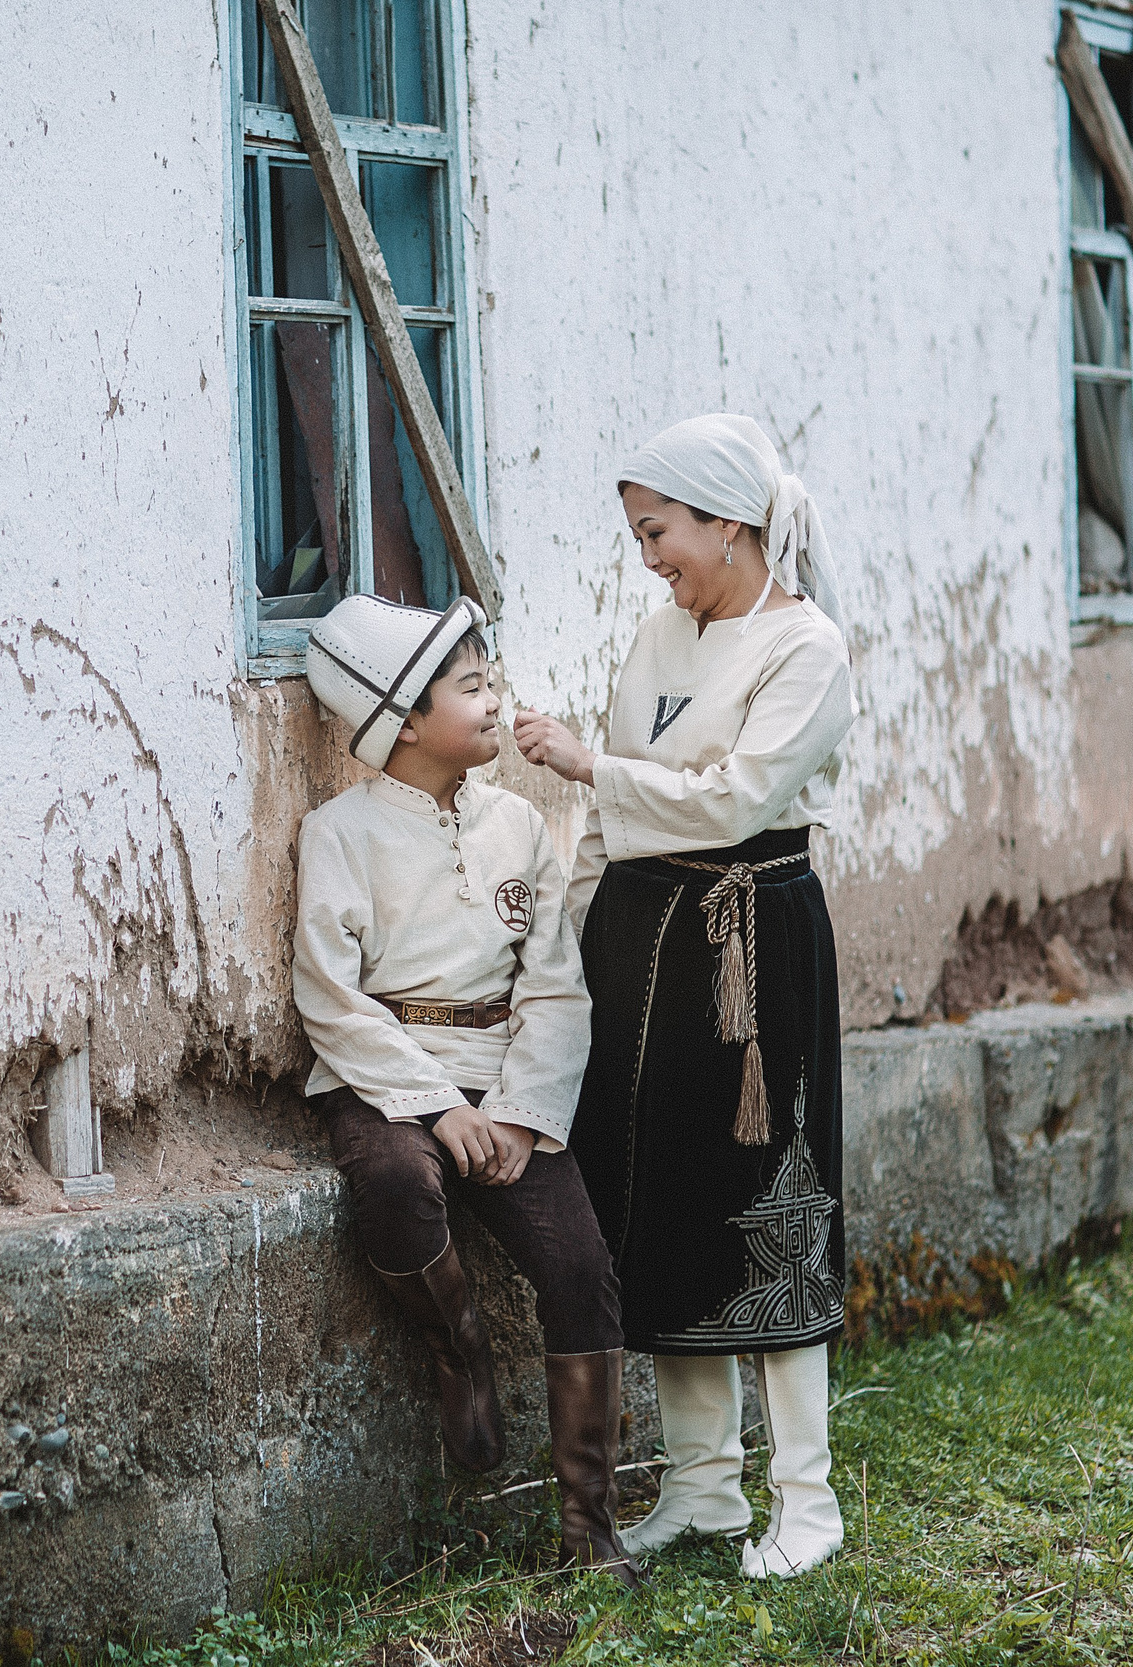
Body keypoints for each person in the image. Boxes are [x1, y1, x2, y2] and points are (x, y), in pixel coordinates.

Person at [512, 414, 856, 1580]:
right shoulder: (664, 632)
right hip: (638, 942)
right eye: (637, 535)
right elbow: (620, 812)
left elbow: (728, 800)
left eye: (659, 532)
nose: (649, 557)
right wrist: (570, 928)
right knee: (655, 1204)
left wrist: (585, 766)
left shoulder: (804, 649)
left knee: (769, 1204)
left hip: (746, 942)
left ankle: (803, 1503)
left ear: (729, 521)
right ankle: (704, 1488)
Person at [295, 593, 640, 1587]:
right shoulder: (340, 834)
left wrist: (522, 1117)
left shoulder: (521, 826)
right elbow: (330, 999)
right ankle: (459, 1347)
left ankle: (589, 1526)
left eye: (492, 683)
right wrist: (436, 1108)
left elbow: (554, 986)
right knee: (398, 1186)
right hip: (383, 1080)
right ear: (403, 718)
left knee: (581, 1270)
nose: (497, 704)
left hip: (505, 1085)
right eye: (473, 687)